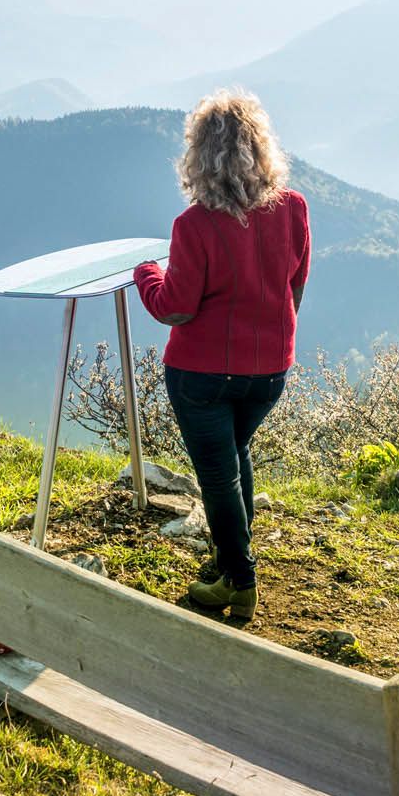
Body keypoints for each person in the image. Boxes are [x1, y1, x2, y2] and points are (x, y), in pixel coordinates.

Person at [130, 89, 308, 625]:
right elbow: (295, 286)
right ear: (261, 149)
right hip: (269, 371)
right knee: (235, 455)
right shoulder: (293, 209)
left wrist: (146, 273)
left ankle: (239, 579)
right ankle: (234, 557)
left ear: (199, 156)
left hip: (202, 376)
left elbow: (175, 308)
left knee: (217, 474)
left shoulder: (195, 226)